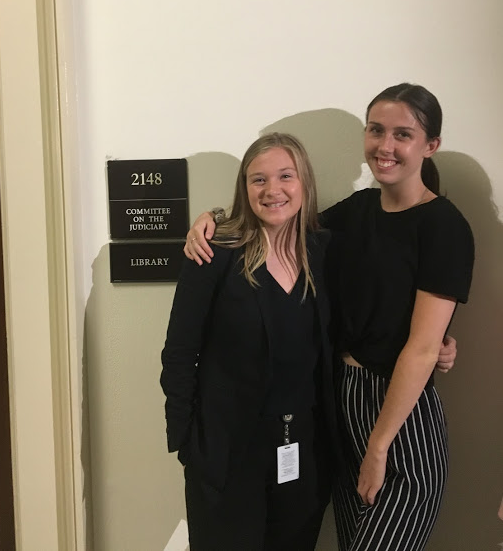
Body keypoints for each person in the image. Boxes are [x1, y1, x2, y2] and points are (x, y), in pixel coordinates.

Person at [185, 83, 474, 551]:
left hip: (400, 419)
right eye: (377, 130)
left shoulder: (445, 227)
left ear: (430, 146)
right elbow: (282, 215)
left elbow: (421, 349)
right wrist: (213, 217)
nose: (386, 146)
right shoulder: (352, 216)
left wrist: (379, 447)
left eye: (403, 134)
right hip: (340, 412)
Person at [161, 133, 339, 551]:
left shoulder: (324, 250)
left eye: (285, 176)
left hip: (303, 454)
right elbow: (180, 352)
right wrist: (188, 443)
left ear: (304, 183)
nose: (272, 190)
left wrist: (440, 339)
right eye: (258, 180)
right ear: (244, 188)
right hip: (227, 455)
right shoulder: (214, 252)